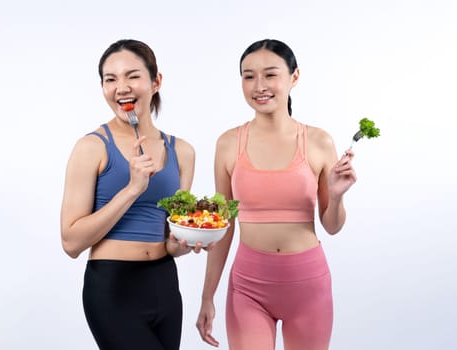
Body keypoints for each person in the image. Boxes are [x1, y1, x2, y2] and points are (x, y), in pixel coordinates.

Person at [196, 39, 357, 350]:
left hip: (308, 286)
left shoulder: (318, 141)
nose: (259, 86)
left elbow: (332, 226)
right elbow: (223, 226)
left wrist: (336, 197)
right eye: (248, 76)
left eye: (270, 75)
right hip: (248, 288)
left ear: (294, 77)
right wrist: (207, 296)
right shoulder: (229, 143)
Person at [60, 39, 204, 350]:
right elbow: (71, 243)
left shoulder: (183, 152)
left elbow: (169, 238)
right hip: (113, 288)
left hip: (165, 285)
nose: (121, 87)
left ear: (156, 81)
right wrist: (132, 189)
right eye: (110, 79)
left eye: (132, 76)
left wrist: (187, 241)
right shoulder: (92, 147)